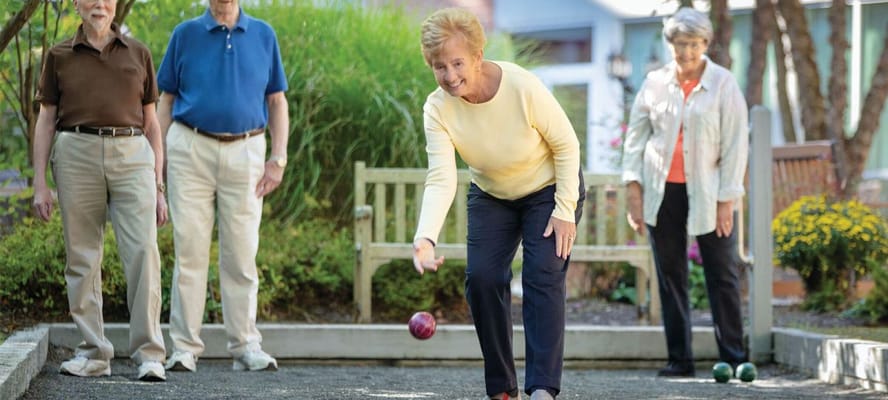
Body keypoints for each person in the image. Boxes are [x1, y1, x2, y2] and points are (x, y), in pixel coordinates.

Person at [412, 8, 584, 400]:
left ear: (477, 55)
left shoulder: (521, 86)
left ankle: (542, 388)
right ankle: (502, 389)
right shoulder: (437, 108)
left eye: (457, 63)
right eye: (440, 67)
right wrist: (426, 238)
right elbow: (441, 177)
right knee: (483, 279)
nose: (450, 75)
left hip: (549, 189)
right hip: (492, 195)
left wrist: (564, 209)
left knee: (542, 276)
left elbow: (566, 144)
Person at [31, 0, 168, 382]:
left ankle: (149, 354)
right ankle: (93, 353)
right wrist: (40, 183)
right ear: (77, 4)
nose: (99, 4)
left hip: (132, 152)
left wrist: (159, 185)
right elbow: (45, 120)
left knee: (143, 251)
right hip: (76, 152)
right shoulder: (58, 56)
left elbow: (153, 124)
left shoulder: (138, 53)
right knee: (82, 256)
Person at [155, 0, 289, 373]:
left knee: (242, 253)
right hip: (190, 147)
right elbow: (165, 101)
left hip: (247, 149)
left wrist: (278, 158)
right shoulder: (185, 34)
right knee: (190, 251)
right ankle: (183, 348)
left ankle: (246, 345)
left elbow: (277, 101)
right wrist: (158, 163)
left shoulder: (263, 34)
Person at [621, 7, 749, 377]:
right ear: (670, 44)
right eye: (680, 44)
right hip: (663, 192)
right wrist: (634, 192)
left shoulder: (724, 84)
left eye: (694, 44)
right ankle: (681, 359)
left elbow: (736, 145)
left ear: (706, 43)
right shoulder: (654, 83)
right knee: (669, 275)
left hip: (710, 193)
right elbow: (635, 139)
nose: (687, 52)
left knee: (722, 273)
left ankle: (735, 357)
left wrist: (728, 200)